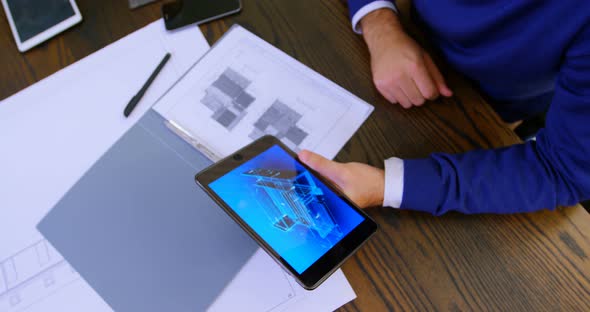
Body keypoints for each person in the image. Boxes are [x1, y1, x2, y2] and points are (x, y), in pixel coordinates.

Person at [299, 0, 590, 215]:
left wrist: (385, 186)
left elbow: (562, 170)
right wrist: (379, 23)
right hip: (405, 33)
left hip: (489, 109)